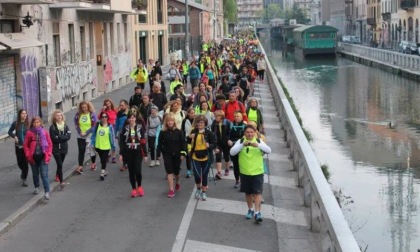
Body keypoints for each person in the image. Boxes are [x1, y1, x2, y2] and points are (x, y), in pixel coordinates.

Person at [230, 125, 271, 222]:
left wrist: (258, 145)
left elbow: (269, 150)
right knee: (248, 193)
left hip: (257, 172)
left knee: (257, 192)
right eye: (247, 132)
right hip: (245, 172)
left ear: (255, 133)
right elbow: (232, 152)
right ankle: (250, 210)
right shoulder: (240, 142)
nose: (249, 134)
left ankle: (257, 213)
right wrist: (242, 145)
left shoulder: (259, 141)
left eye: (251, 132)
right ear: (244, 133)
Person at [157, 112, 187, 198]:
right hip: (167, 154)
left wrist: (183, 153)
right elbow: (159, 144)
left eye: (171, 121)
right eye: (168, 121)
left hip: (177, 154)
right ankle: (171, 189)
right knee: (169, 171)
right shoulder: (163, 132)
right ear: (166, 122)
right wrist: (158, 154)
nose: (170, 122)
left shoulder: (179, 132)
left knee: (176, 172)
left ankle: (177, 182)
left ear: (174, 122)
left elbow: (183, 144)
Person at [23, 116, 53, 200]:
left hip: (43, 157)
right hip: (33, 157)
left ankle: (47, 192)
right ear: (32, 123)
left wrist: (49, 153)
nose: (36, 124)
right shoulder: (29, 133)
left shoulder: (44, 132)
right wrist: (28, 155)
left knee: (44, 174)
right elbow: (25, 145)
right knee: (35, 174)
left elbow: (50, 144)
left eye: (37, 122)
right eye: (34, 122)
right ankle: (36, 187)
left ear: (40, 123)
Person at [119, 112, 147, 197]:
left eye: (133, 118)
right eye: (130, 118)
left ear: (135, 118)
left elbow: (143, 141)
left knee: (137, 170)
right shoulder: (125, 128)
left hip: (138, 151)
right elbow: (122, 142)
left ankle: (139, 186)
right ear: (128, 119)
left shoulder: (139, 128)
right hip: (128, 152)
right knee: (131, 171)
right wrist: (121, 154)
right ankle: (133, 189)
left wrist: (145, 154)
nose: (132, 119)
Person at [189, 115, 216, 201]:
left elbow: (214, 143)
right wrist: (189, 138)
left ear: (205, 124)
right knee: (197, 175)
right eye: (198, 122)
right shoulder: (193, 131)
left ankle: (204, 192)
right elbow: (188, 141)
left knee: (204, 175)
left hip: (206, 157)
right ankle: (198, 189)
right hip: (195, 156)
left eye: (202, 122)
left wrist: (209, 145)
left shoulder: (209, 133)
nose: (200, 124)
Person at [91, 111, 116, 181]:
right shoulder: (97, 125)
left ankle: (102, 173)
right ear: (101, 118)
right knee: (102, 159)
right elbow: (93, 135)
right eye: (102, 117)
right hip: (98, 146)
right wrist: (92, 143)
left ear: (107, 118)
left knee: (103, 159)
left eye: (105, 117)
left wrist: (113, 145)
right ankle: (104, 169)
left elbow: (112, 136)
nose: (104, 118)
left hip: (106, 146)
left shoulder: (110, 126)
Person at [49, 110, 71, 188]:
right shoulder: (52, 127)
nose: (59, 117)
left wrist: (59, 137)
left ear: (62, 116)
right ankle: (61, 181)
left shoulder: (65, 126)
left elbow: (68, 136)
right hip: (56, 149)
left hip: (64, 148)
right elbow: (53, 139)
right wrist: (62, 137)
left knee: (60, 163)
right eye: (57, 115)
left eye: (60, 115)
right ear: (54, 117)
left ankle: (57, 175)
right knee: (60, 164)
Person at [74, 101, 97, 174]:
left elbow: (94, 126)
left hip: (89, 134)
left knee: (91, 149)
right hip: (80, 134)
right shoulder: (78, 114)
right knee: (81, 150)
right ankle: (80, 166)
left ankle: (93, 163)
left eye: (85, 107)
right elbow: (76, 123)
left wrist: (86, 132)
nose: (84, 109)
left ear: (88, 107)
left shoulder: (92, 114)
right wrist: (80, 131)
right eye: (82, 107)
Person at [8, 109, 30, 186]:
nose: (24, 115)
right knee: (20, 162)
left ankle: (24, 178)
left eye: (25, 113)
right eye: (23, 113)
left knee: (26, 163)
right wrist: (14, 136)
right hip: (18, 146)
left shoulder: (29, 123)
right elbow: (9, 131)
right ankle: (23, 171)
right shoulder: (16, 123)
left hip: (27, 147)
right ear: (20, 115)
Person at [228, 111, 247, 188]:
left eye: (238, 116)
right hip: (233, 147)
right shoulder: (231, 125)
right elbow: (227, 134)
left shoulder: (245, 126)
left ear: (241, 117)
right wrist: (228, 140)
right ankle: (237, 181)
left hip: (242, 147)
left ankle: (243, 181)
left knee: (242, 165)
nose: (236, 118)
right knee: (236, 165)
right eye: (235, 116)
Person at [211, 110, 231, 180]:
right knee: (218, 156)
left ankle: (227, 169)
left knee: (226, 156)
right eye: (215, 116)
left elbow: (229, 132)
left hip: (225, 142)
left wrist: (228, 140)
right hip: (217, 142)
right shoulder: (214, 123)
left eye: (217, 116)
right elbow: (212, 132)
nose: (216, 117)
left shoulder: (227, 122)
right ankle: (219, 172)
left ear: (221, 116)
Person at [115, 99, 129, 171]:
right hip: (121, 133)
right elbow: (117, 123)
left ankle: (130, 162)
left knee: (129, 148)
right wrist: (115, 133)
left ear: (126, 105)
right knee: (122, 148)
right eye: (120, 105)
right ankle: (124, 163)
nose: (120, 107)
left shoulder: (130, 113)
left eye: (122, 105)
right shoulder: (119, 113)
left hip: (129, 132)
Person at [101, 98, 118, 163]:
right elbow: (99, 117)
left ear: (111, 103)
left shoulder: (114, 111)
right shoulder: (104, 111)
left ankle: (113, 156)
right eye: (106, 104)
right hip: (106, 128)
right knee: (107, 142)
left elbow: (118, 118)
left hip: (113, 128)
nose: (108, 105)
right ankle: (108, 154)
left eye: (109, 103)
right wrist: (103, 110)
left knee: (113, 143)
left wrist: (115, 122)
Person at [181, 108, 196, 178]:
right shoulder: (185, 121)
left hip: (195, 141)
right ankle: (188, 170)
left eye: (194, 113)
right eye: (191, 113)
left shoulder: (197, 120)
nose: (193, 114)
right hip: (187, 141)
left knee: (195, 156)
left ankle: (195, 169)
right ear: (188, 113)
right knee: (188, 156)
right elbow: (182, 130)